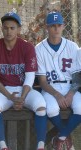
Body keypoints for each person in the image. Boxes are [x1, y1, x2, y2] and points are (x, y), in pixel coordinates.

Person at [0, 11, 47, 150]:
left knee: (41, 105)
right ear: (2, 29)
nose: (9, 31)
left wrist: (22, 98)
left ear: (19, 29)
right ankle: (3, 146)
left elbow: (30, 77)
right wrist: (10, 97)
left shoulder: (28, 47)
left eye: (12, 28)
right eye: (6, 28)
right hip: (4, 91)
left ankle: (41, 146)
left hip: (24, 89)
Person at [35, 11, 81, 150]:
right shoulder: (39, 49)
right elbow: (42, 81)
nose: (56, 28)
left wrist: (70, 94)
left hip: (69, 87)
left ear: (63, 26)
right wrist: (57, 95)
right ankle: (66, 138)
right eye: (52, 25)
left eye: (58, 25)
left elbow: (77, 76)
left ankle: (60, 137)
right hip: (50, 89)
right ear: (47, 27)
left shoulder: (73, 47)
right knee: (52, 109)